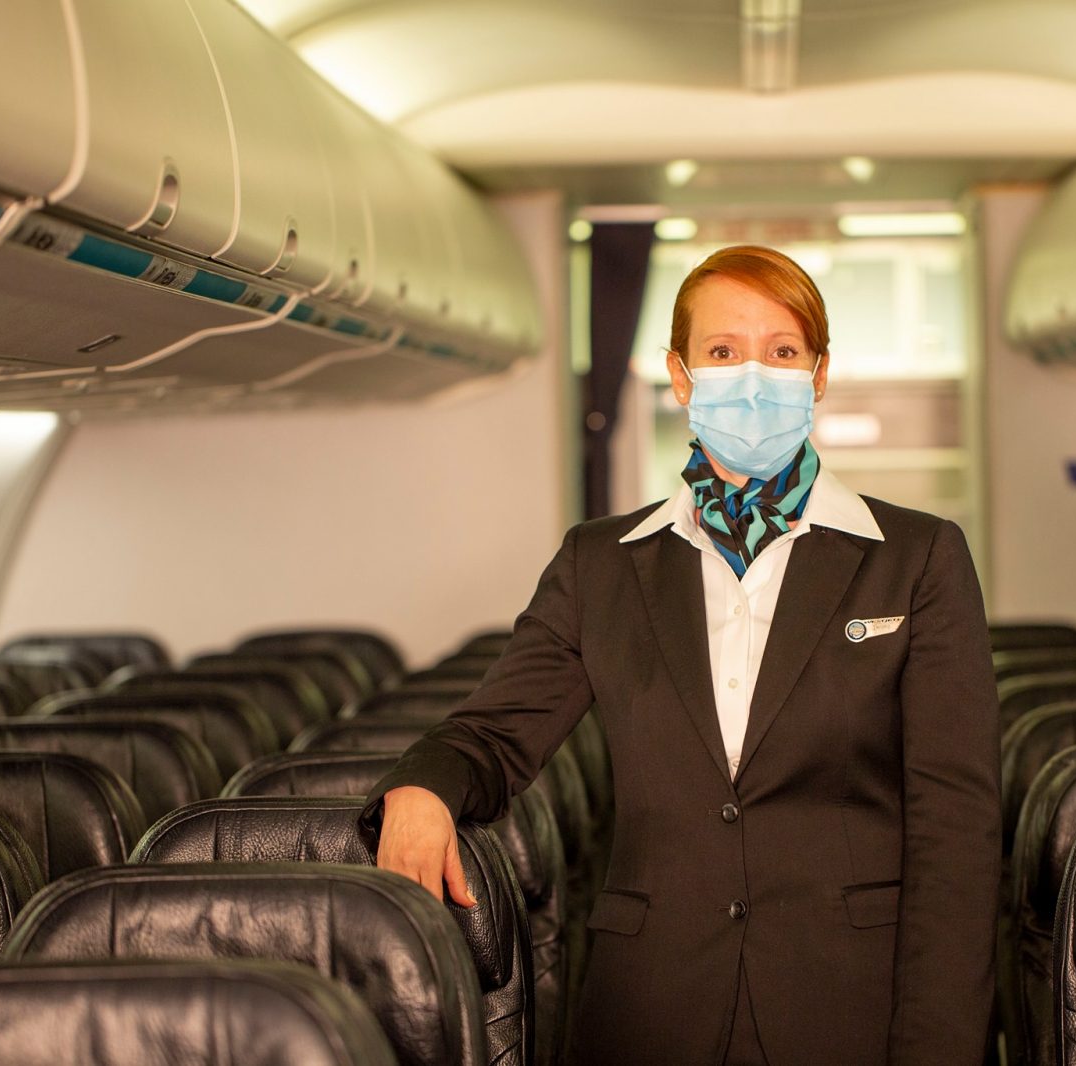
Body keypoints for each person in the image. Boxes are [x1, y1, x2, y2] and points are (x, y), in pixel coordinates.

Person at [359, 244, 1000, 1066]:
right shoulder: (602, 564)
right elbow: (494, 734)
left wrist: (940, 1047)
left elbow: (958, 829)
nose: (755, 377)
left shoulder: (916, 557)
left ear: (820, 374)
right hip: (653, 1005)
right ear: (682, 375)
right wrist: (421, 789)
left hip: (852, 1004)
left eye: (782, 352)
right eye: (724, 353)